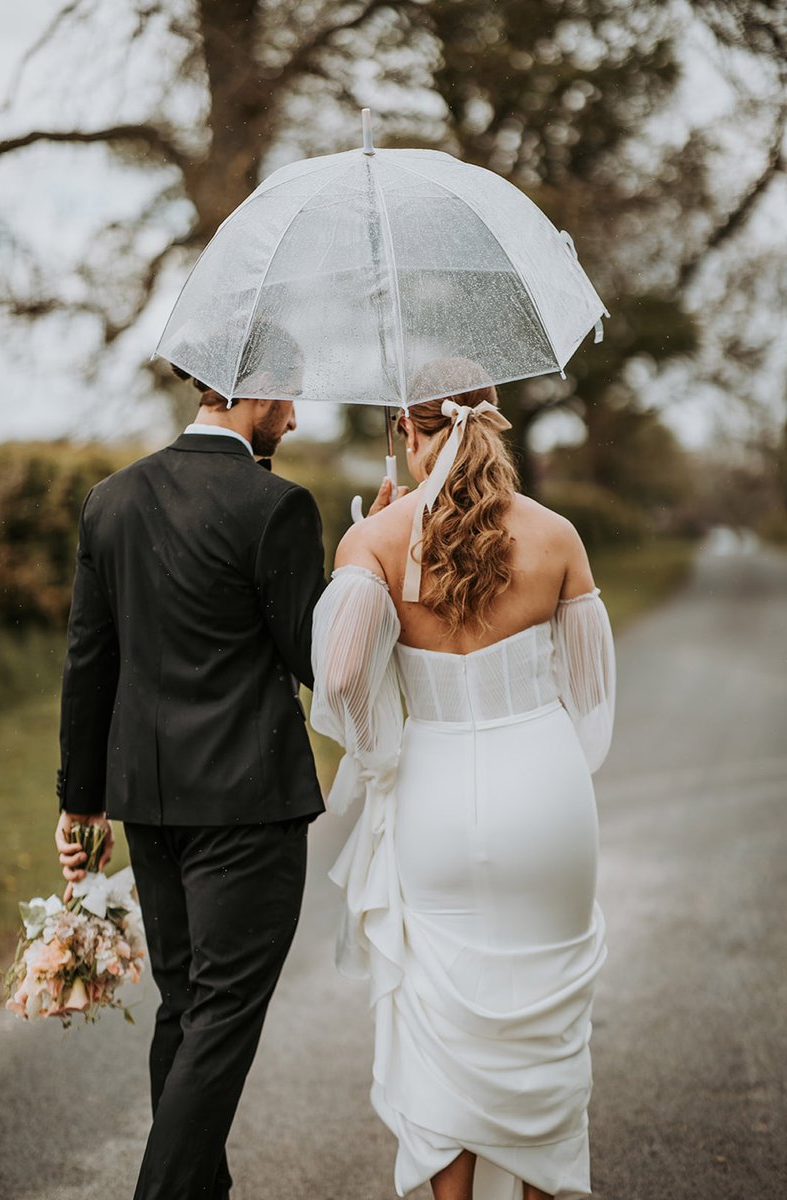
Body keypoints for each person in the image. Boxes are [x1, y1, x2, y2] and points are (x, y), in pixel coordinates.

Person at [52, 351, 394, 1200]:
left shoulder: (111, 499)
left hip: (148, 804)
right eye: (293, 399)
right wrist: (365, 554)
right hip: (246, 809)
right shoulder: (276, 507)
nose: (298, 417)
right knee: (222, 1018)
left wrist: (79, 805)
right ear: (259, 392)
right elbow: (315, 659)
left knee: (186, 1008)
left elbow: (88, 661)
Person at [310, 359, 616, 1200]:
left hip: (432, 796)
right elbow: (591, 699)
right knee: (548, 1025)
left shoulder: (372, 540)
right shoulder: (557, 536)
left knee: (438, 1024)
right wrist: (544, 763)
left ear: (409, 435)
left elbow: (338, 681)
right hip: (547, 796)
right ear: (494, 423)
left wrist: (383, 750)